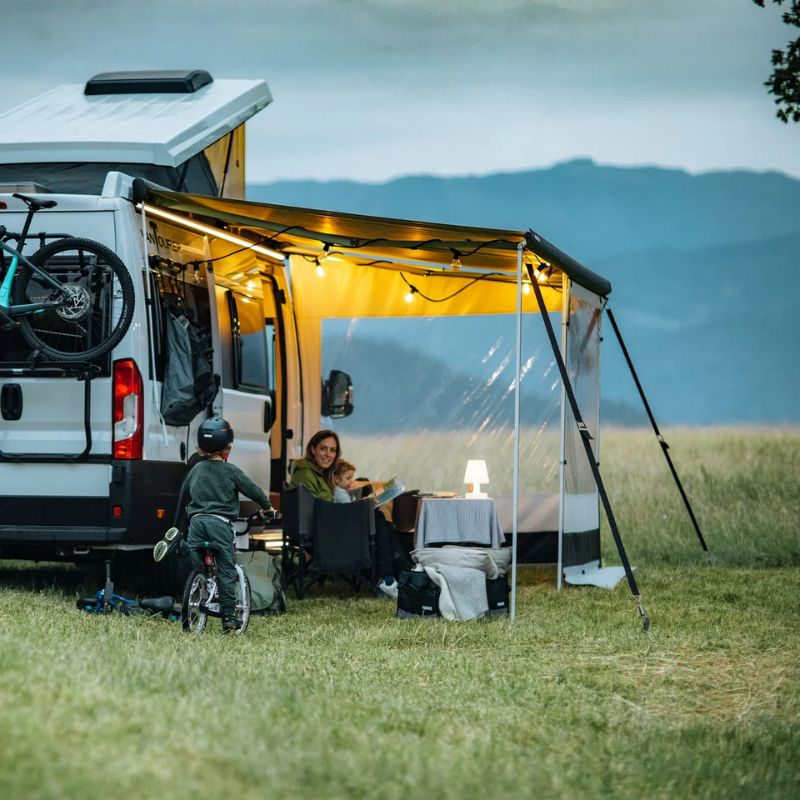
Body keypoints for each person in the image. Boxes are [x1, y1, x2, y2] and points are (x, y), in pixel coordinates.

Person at [153, 416, 274, 633]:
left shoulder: (195, 470)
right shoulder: (231, 471)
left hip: (197, 522)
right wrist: (267, 507)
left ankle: (181, 546)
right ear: (228, 449)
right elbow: (254, 490)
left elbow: (184, 494)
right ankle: (229, 618)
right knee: (226, 571)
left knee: (196, 563)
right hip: (220, 524)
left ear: (200, 448)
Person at [289, 429, 409, 599]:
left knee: (379, 519)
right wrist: (361, 506)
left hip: (327, 524)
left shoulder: (319, 472)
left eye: (332, 450)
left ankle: (395, 575)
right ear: (313, 449)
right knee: (377, 518)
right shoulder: (306, 474)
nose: (328, 454)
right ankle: (397, 575)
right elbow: (320, 508)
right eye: (323, 448)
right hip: (322, 531)